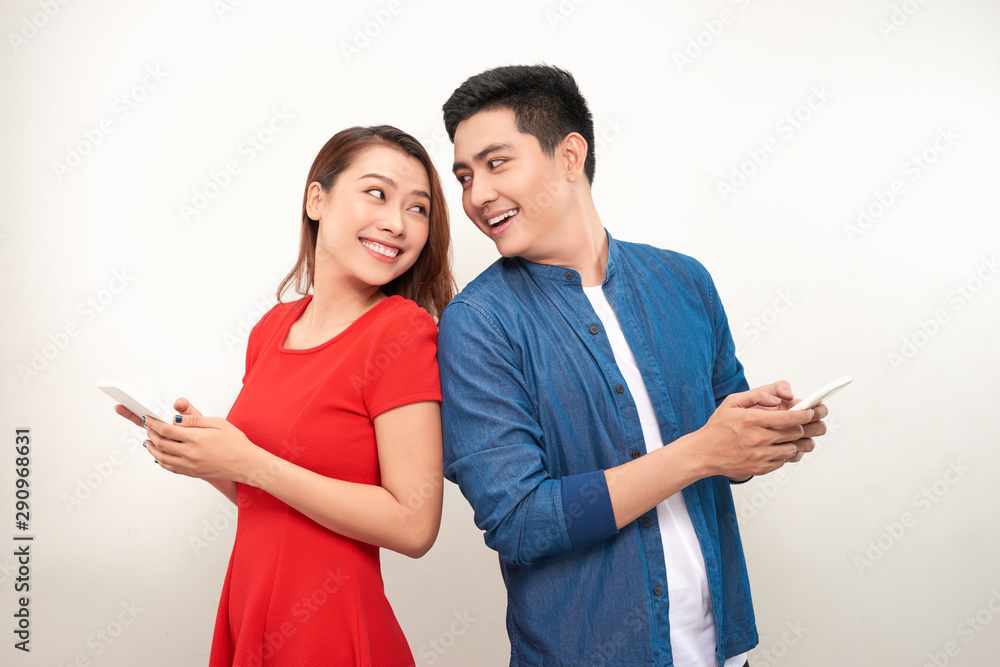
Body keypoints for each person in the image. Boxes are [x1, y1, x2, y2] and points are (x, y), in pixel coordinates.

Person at [437, 65, 829, 667]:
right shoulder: (478, 324)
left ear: (570, 156)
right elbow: (519, 520)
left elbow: (729, 460)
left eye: (496, 164)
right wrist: (703, 451)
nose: (477, 195)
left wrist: (763, 436)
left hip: (722, 651)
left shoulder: (684, 280)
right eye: (465, 176)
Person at [115, 125, 455, 666]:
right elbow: (271, 500)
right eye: (377, 193)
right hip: (252, 605)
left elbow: (413, 525)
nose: (397, 222)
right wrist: (205, 457)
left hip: (329, 629)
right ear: (316, 200)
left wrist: (250, 462)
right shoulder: (271, 328)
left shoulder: (401, 333)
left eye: (418, 208)